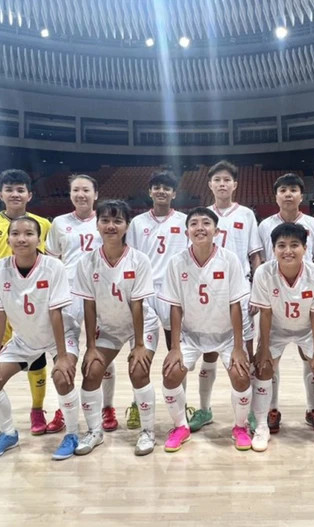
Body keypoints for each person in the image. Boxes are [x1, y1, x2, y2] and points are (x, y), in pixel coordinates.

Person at [0, 216, 80, 460]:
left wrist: (62, 357)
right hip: (24, 339)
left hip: (61, 336)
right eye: (15, 234)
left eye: (28, 234)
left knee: (61, 377)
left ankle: (73, 433)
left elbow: (56, 312)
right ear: (9, 238)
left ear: (39, 239)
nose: (22, 239)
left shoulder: (53, 267)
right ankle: (9, 433)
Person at [0, 169, 56, 441]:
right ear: (0, 194)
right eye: (9, 189)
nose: (15, 194)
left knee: (36, 354)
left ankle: (37, 410)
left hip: (31, 300)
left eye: (20, 190)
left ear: (29, 195)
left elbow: (51, 260)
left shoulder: (44, 224)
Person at [158, 207, 252, 452]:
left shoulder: (229, 259)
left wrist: (239, 347)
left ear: (216, 230)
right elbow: (175, 307)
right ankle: (180, 427)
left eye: (206, 223)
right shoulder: (177, 262)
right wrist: (175, 347)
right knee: (170, 376)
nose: (200, 227)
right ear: (186, 231)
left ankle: (240, 426)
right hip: (191, 335)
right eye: (194, 224)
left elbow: (235, 305)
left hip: (226, 335)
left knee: (242, 377)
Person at [72, 200, 159, 456]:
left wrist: (140, 344)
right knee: (91, 371)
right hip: (107, 327)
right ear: (96, 224)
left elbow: (138, 304)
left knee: (139, 371)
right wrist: (89, 347)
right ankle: (94, 431)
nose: (111, 226)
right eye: (105, 220)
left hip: (140, 326)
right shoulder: (86, 262)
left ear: (126, 226)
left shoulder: (139, 260)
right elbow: (88, 306)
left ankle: (148, 432)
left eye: (117, 220)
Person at [186, 161, 262, 434]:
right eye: (216, 179)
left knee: (244, 356)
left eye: (226, 180)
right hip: (209, 293)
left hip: (240, 291)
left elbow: (255, 255)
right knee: (208, 352)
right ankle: (205, 409)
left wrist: (257, 291)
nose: (221, 184)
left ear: (235, 184)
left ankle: (249, 414)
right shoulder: (201, 216)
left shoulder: (247, 215)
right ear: (209, 184)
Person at [250, 223, 314, 452]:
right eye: (281, 245)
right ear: (273, 249)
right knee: (264, 368)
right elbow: (265, 315)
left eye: (294, 245)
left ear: (305, 248)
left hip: (307, 328)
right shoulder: (264, 273)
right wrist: (263, 349)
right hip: (276, 328)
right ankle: (261, 426)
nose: (288, 250)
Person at [46, 175, 119, 431]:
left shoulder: (106, 221)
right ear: (70, 194)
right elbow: (52, 261)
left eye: (86, 190)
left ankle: (107, 407)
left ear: (95, 194)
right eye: (76, 190)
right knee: (61, 355)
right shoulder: (58, 223)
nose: (81, 194)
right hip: (66, 295)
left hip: (99, 295)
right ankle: (63, 409)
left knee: (102, 356)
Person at [256, 173, 314, 433]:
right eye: (283, 190)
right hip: (274, 294)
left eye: (293, 189)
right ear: (276, 196)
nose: (288, 194)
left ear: (301, 195)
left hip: (307, 294)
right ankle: (271, 408)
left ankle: (313, 408)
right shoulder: (264, 225)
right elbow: (263, 260)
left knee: (312, 358)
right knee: (270, 359)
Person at [126, 170, 187, 431]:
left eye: (167, 188)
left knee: (179, 355)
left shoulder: (185, 221)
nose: (162, 191)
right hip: (146, 293)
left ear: (174, 193)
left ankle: (182, 407)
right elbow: (131, 257)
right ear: (150, 191)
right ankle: (137, 406)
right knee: (139, 355)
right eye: (157, 187)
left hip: (176, 292)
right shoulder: (137, 223)